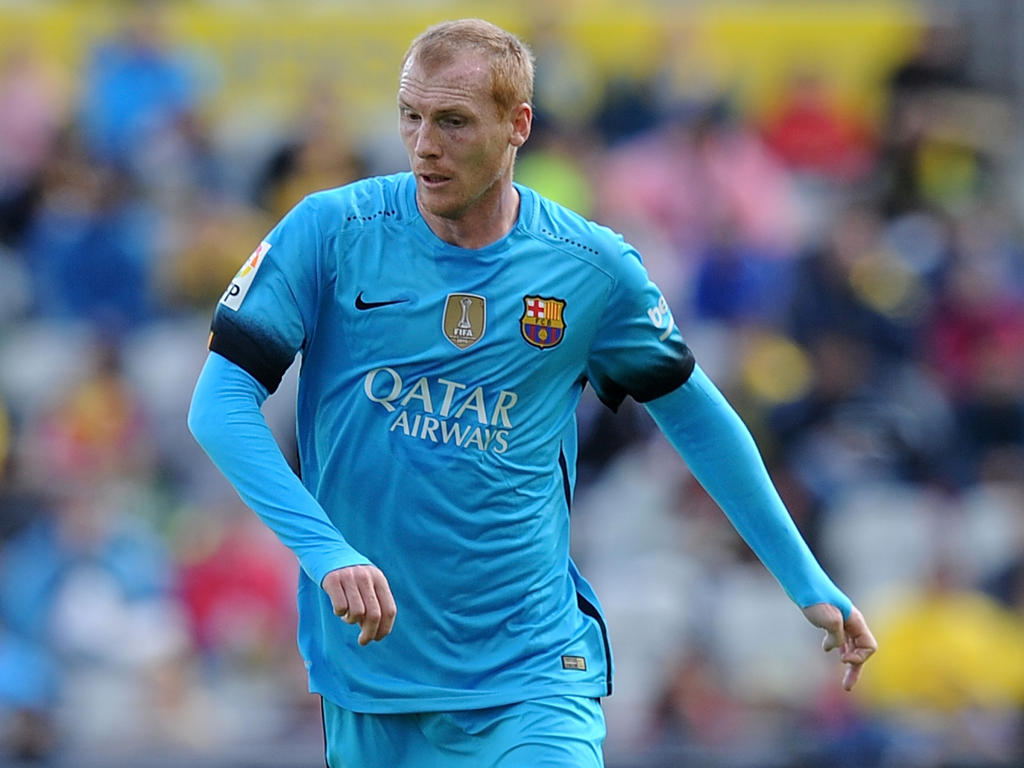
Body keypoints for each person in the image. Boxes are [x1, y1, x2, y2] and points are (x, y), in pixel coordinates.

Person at [188, 18, 876, 767]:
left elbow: (698, 420)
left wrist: (805, 578)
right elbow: (218, 406)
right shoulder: (331, 231)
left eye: (452, 121)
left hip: (532, 672)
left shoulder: (590, 269)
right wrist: (326, 552)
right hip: (371, 676)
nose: (423, 144)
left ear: (518, 125)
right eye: (410, 116)